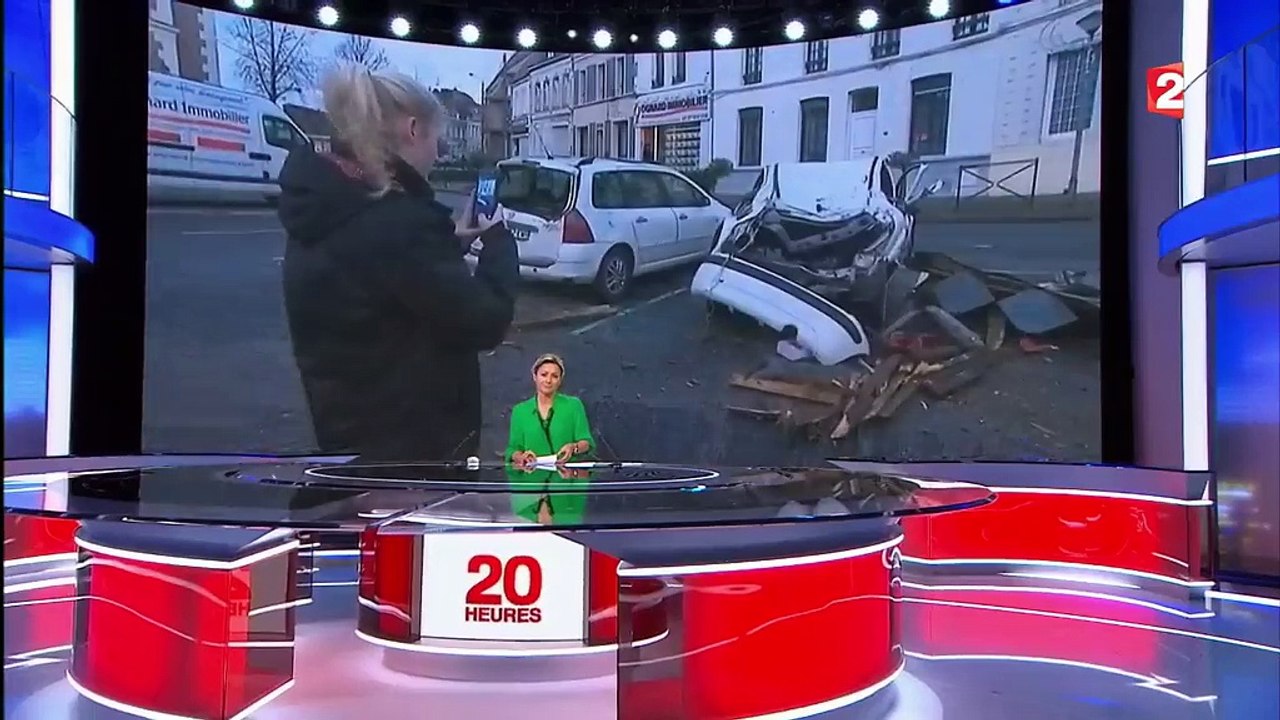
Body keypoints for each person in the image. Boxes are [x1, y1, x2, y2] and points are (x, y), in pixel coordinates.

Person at [276, 65, 518, 461]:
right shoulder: (399, 224)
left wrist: (447, 243)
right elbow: (485, 320)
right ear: (412, 129)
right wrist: (498, 241)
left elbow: (376, 278)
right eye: (435, 139)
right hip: (415, 456)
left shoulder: (330, 203)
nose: (438, 154)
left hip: (349, 438)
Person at [506, 354, 594, 468]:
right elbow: (513, 449)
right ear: (534, 376)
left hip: (566, 479)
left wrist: (574, 447)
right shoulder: (520, 411)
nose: (548, 380)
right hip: (532, 479)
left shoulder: (573, 405)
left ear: (560, 380)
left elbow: (586, 442)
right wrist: (520, 457)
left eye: (554, 376)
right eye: (544, 375)